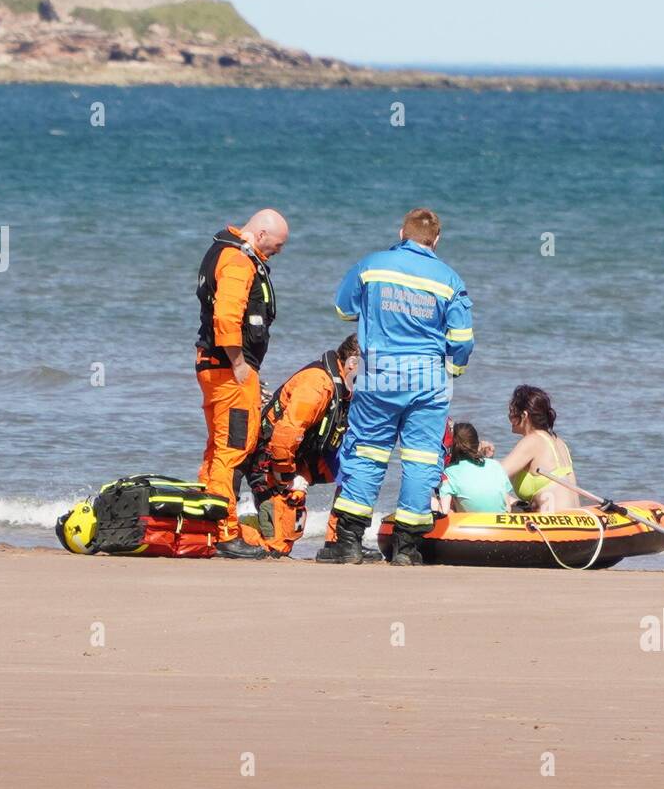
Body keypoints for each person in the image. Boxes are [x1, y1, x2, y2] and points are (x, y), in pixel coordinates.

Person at [328, 208, 474, 566]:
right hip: (428, 379)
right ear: (436, 240)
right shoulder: (449, 279)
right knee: (422, 458)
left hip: (379, 373)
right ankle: (407, 549)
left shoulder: (372, 265)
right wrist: (453, 369)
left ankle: (348, 543)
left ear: (401, 233)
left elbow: (342, 309)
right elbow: (463, 338)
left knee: (366, 453)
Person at [194, 209, 289, 559]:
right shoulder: (237, 260)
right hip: (229, 369)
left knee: (219, 447)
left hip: (213, 367)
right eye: (276, 246)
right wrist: (240, 365)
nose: (276, 253)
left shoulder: (222, 249)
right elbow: (227, 317)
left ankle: (204, 525)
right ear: (261, 234)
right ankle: (225, 531)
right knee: (233, 449)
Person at [238, 334, 379, 561]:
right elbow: (286, 434)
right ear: (353, 363)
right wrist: (287, 476)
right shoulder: (317, 385)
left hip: (302, 458)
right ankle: (227, 533)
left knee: (357, 469)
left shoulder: (345, 388)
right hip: (271, 462)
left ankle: (339, 542)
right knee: (277, 547)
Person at [497, 385, 581, 512]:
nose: (510, 419)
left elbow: (493, 476)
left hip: (552, 526)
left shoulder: (533, 441)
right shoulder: (558, 442)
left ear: (524, 415)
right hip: (576, 520)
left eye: (511, 415)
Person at [438, 423, 514, 514]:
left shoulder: (449, 472)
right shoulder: (495, 465)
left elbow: (445, 511)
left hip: (472, 523)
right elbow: (507, 507)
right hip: (501, 520)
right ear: (478, 445)